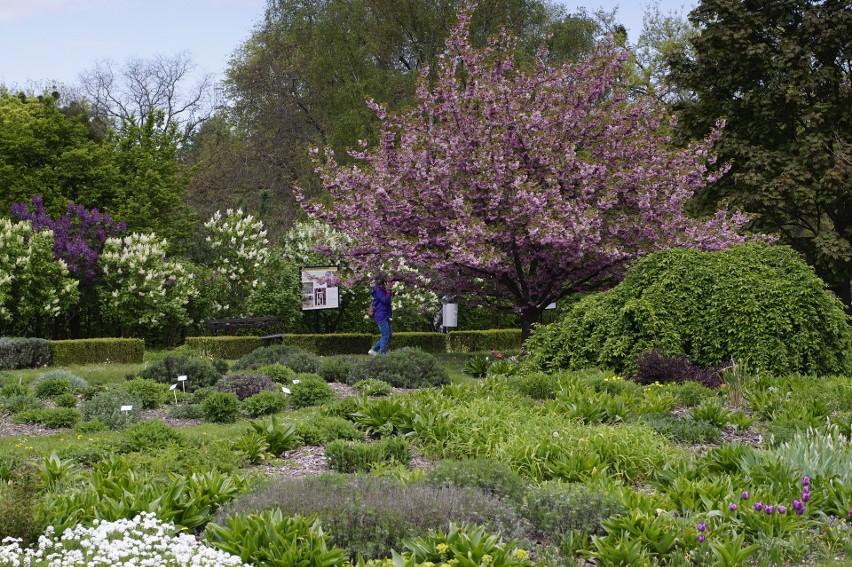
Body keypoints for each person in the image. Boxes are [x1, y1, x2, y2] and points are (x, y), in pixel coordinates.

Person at [368, 273, 392, 355]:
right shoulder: (377, 289)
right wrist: (388, 290)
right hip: (381, 315)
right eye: (386, 281)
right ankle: (383, 355)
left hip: (385, 314)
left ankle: (374, 350)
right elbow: (385, 300)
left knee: (389, 335)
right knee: (385, 335)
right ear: (383, 281)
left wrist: (387, 290)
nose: (388, 283)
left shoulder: (381, 289)